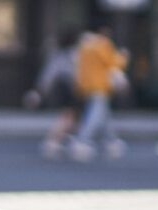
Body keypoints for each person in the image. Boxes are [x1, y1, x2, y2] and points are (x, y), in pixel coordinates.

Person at [70, 25, 129, 162]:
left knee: (103, 116)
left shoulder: (84, 46)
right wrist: (124, 57)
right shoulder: (102, 44)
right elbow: (113, 62)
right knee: (95, 116)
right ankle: (82, 141)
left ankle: (111, 141)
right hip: (100, 86)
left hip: (87, 86)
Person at [29, 28, 81, 159]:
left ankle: (66, 137)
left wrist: (41, 90)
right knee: (68, 116)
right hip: (70, 87)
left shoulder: (59, 54)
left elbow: (49, 74)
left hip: (63, 86)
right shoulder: (72, 54)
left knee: (72, 116)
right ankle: (53, 140)